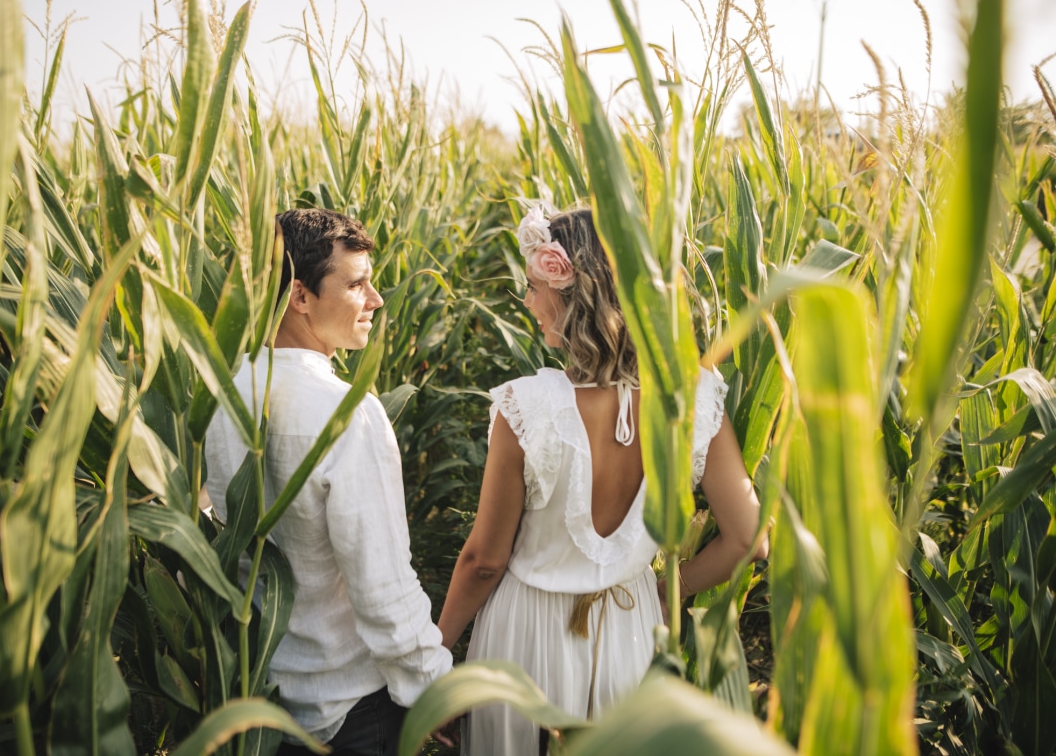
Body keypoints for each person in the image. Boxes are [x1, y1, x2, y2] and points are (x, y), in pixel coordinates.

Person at [436, 205, 768, 755]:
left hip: (525, 642)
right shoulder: (694, 398)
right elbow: (749, 538)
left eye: (535, 286)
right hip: (629, 632)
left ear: (574, 294)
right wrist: (664, 591)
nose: (528, 303)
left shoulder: (527, 407)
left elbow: (484, 561)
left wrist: (439, 656)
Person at [204, 208, 452, 756]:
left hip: (257, 701)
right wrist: (432, 685)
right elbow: (381, 584)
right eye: (357, 284)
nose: (377, 299)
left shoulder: (217, 396)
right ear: (300, 295)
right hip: (349, 711)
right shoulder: (348, 415)